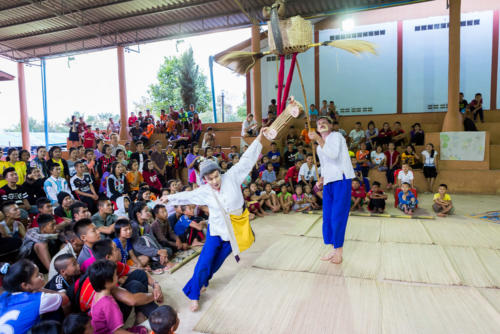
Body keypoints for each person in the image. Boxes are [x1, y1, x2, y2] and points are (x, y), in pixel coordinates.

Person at [163, 127, 267, 311]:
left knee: (217, 263)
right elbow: (187, 196)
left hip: (233, 231)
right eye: (209, 179)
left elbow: (247, 160)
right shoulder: (204, 191)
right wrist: (169, 198)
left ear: (220, 172)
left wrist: (259, 137)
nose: (214, 181)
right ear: (204, 180)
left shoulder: (232, 177)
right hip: (216, 230)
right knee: (205, 261)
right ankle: (194, 294)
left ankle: (203, 282)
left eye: (216, 176)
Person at [308, 116, 354, 265]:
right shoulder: (318, 146)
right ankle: (333, 249)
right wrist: (322, 178)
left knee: (338, 216)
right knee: (327, 216)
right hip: (328, 181)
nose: (321, 125)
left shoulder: (336, 136)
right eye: (318, 124)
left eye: (324, 123)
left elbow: (333, 154)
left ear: (331, 125)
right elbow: (325, 164)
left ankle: (339, 251)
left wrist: (318, 139)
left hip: (341, 179)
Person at [0, 259, 66, 334]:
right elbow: (64, 298)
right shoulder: (39, 299)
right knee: (56, 310)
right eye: (37, 275)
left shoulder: (4, 296)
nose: (41, 275)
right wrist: (40, 289)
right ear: (25, 285)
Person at [88, 260, 146, 333]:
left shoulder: (97, 294)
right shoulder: (108, 303)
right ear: (107, 282)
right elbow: (117, 331)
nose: (117, 276)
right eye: (115, 275)